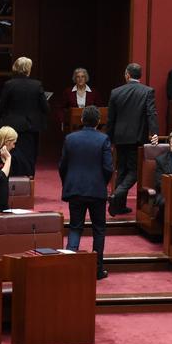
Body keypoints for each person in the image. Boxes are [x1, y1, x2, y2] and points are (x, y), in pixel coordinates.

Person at [59, 106, 113, 280]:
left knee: (75, 227)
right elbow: (108, 168)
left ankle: (68, 267)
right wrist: (101, 184)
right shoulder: (103, 139)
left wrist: (68, 182)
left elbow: (63, 166)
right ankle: (97, 269)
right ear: (98, 122)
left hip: (75, 189)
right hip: (97, 190)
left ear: (82, 120)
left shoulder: (70, 138)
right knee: (99, 229)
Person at [106, 63, 159, 217]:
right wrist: (154, 132)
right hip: (137, 137)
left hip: (119, 137)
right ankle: (118, 195)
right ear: (139, 76)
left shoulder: (116, 92)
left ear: (127, 75)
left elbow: (111, 119)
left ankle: (117, 205)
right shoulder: (147, 91)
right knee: (135, 171)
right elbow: (151, 113)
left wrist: (108, 140)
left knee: (121, 169)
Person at [0, 56, 49, 177]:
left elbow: (2, 105)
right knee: (30, 153)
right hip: (31, 126)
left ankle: (13, 175)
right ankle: (29, 177)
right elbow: (45, 108)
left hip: (12, 125)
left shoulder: (9, 84)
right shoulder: (37, 85)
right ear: (28, 69)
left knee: (12, 151)